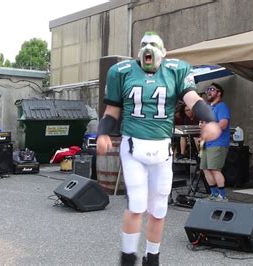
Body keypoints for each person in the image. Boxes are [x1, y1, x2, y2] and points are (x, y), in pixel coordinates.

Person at [96, 32, 221, 266]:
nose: (148, 50)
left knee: (159, 209)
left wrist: (211, 120)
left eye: (153, 46)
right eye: (143, 45)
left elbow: (193, 99)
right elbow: (112, 111)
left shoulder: (176, 70)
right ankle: (127, 258)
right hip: (133, 146)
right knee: (136, 206)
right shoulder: (121, 72)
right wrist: (103, 133)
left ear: (163, 53)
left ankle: (152, 258)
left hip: (162, 150)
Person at [200, 83, 231, 201]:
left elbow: (223, 124)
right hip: (206, 143)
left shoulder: (221, 106)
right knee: (205, 168)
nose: (209, 91)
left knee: (215, 169)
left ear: (219, 93)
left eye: (212, 89)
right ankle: (213, 194)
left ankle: (222, 196)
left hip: (218, 143)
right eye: (208, 89)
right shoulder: (209, 108)